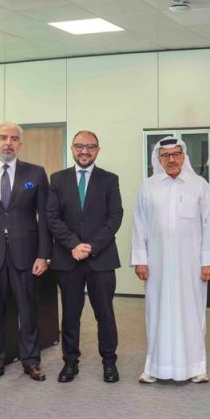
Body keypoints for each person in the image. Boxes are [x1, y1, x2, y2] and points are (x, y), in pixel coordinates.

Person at [0, 122, 51, 384]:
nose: (8, 143)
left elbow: (45, 218)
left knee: (28, 311)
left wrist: (43, 254)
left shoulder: (36, 174)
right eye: (3, 138)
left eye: (14, 138)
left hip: (26, 254)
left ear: (20, 144)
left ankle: (31, 361)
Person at [132, 136, 210, 383]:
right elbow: (139, 225)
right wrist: (140, 260)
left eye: (176, 154)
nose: (171, 160)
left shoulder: (199, 185)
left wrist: (208, 262)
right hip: (157, 264)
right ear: (158, 159)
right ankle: (154, 367)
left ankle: (196, 368)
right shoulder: (148, 187)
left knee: (192, 312)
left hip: (191, 265)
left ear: (184, 156)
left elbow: (209, 225)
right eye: (166, 155)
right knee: (156, 312)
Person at [46, 130, 123, 383]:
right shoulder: (57, 179)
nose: (84, 151)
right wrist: (74, 245)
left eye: (90, 146)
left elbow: (115, 216)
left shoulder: (109, 179)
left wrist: (91, 246)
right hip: (68, 259)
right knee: (70, 314)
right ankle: (70, 362)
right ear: (72, 148)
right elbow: (52, 217)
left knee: (105, 313)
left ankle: (109, 362)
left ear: (98, 150)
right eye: (79, 146)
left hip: (101, 258)